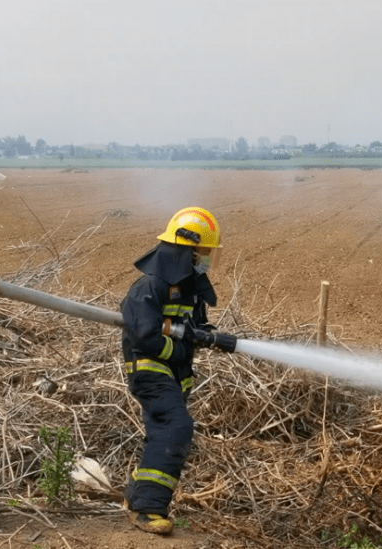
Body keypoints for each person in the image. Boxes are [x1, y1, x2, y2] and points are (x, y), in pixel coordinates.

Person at [120, 206, 237, 535]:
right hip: (149, 369)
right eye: (204, 252)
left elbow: (191, 326)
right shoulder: (150, 286)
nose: (207, 259)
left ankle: (138, 496)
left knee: (165, 431)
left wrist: (208, 334)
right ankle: (147, 508)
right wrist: (183, 347)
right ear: (187, 249)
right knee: (176, 425)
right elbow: (145, 334)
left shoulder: (188, 287)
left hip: (169, 375)